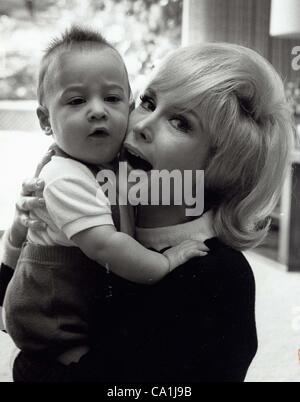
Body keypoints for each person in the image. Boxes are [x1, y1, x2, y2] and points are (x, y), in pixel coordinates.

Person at [0, 42, 294, 382]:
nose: (141, 124)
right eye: (148, 102)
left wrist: (28, 365)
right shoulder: (98, 203)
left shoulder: (217, 278)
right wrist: (30, 228)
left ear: (221, 166)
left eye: (181, 123)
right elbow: (21, 297)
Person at [1, 26, 207, 362]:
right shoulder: (63, 176)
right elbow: (107, 245)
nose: (97, 111)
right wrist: (166, 261)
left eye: (112, 99)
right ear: (45, 120)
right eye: (77, 100)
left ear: (127, 106)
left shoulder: (121, 159)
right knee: (86, 367)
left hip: (87, 296)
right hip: (51, 312)